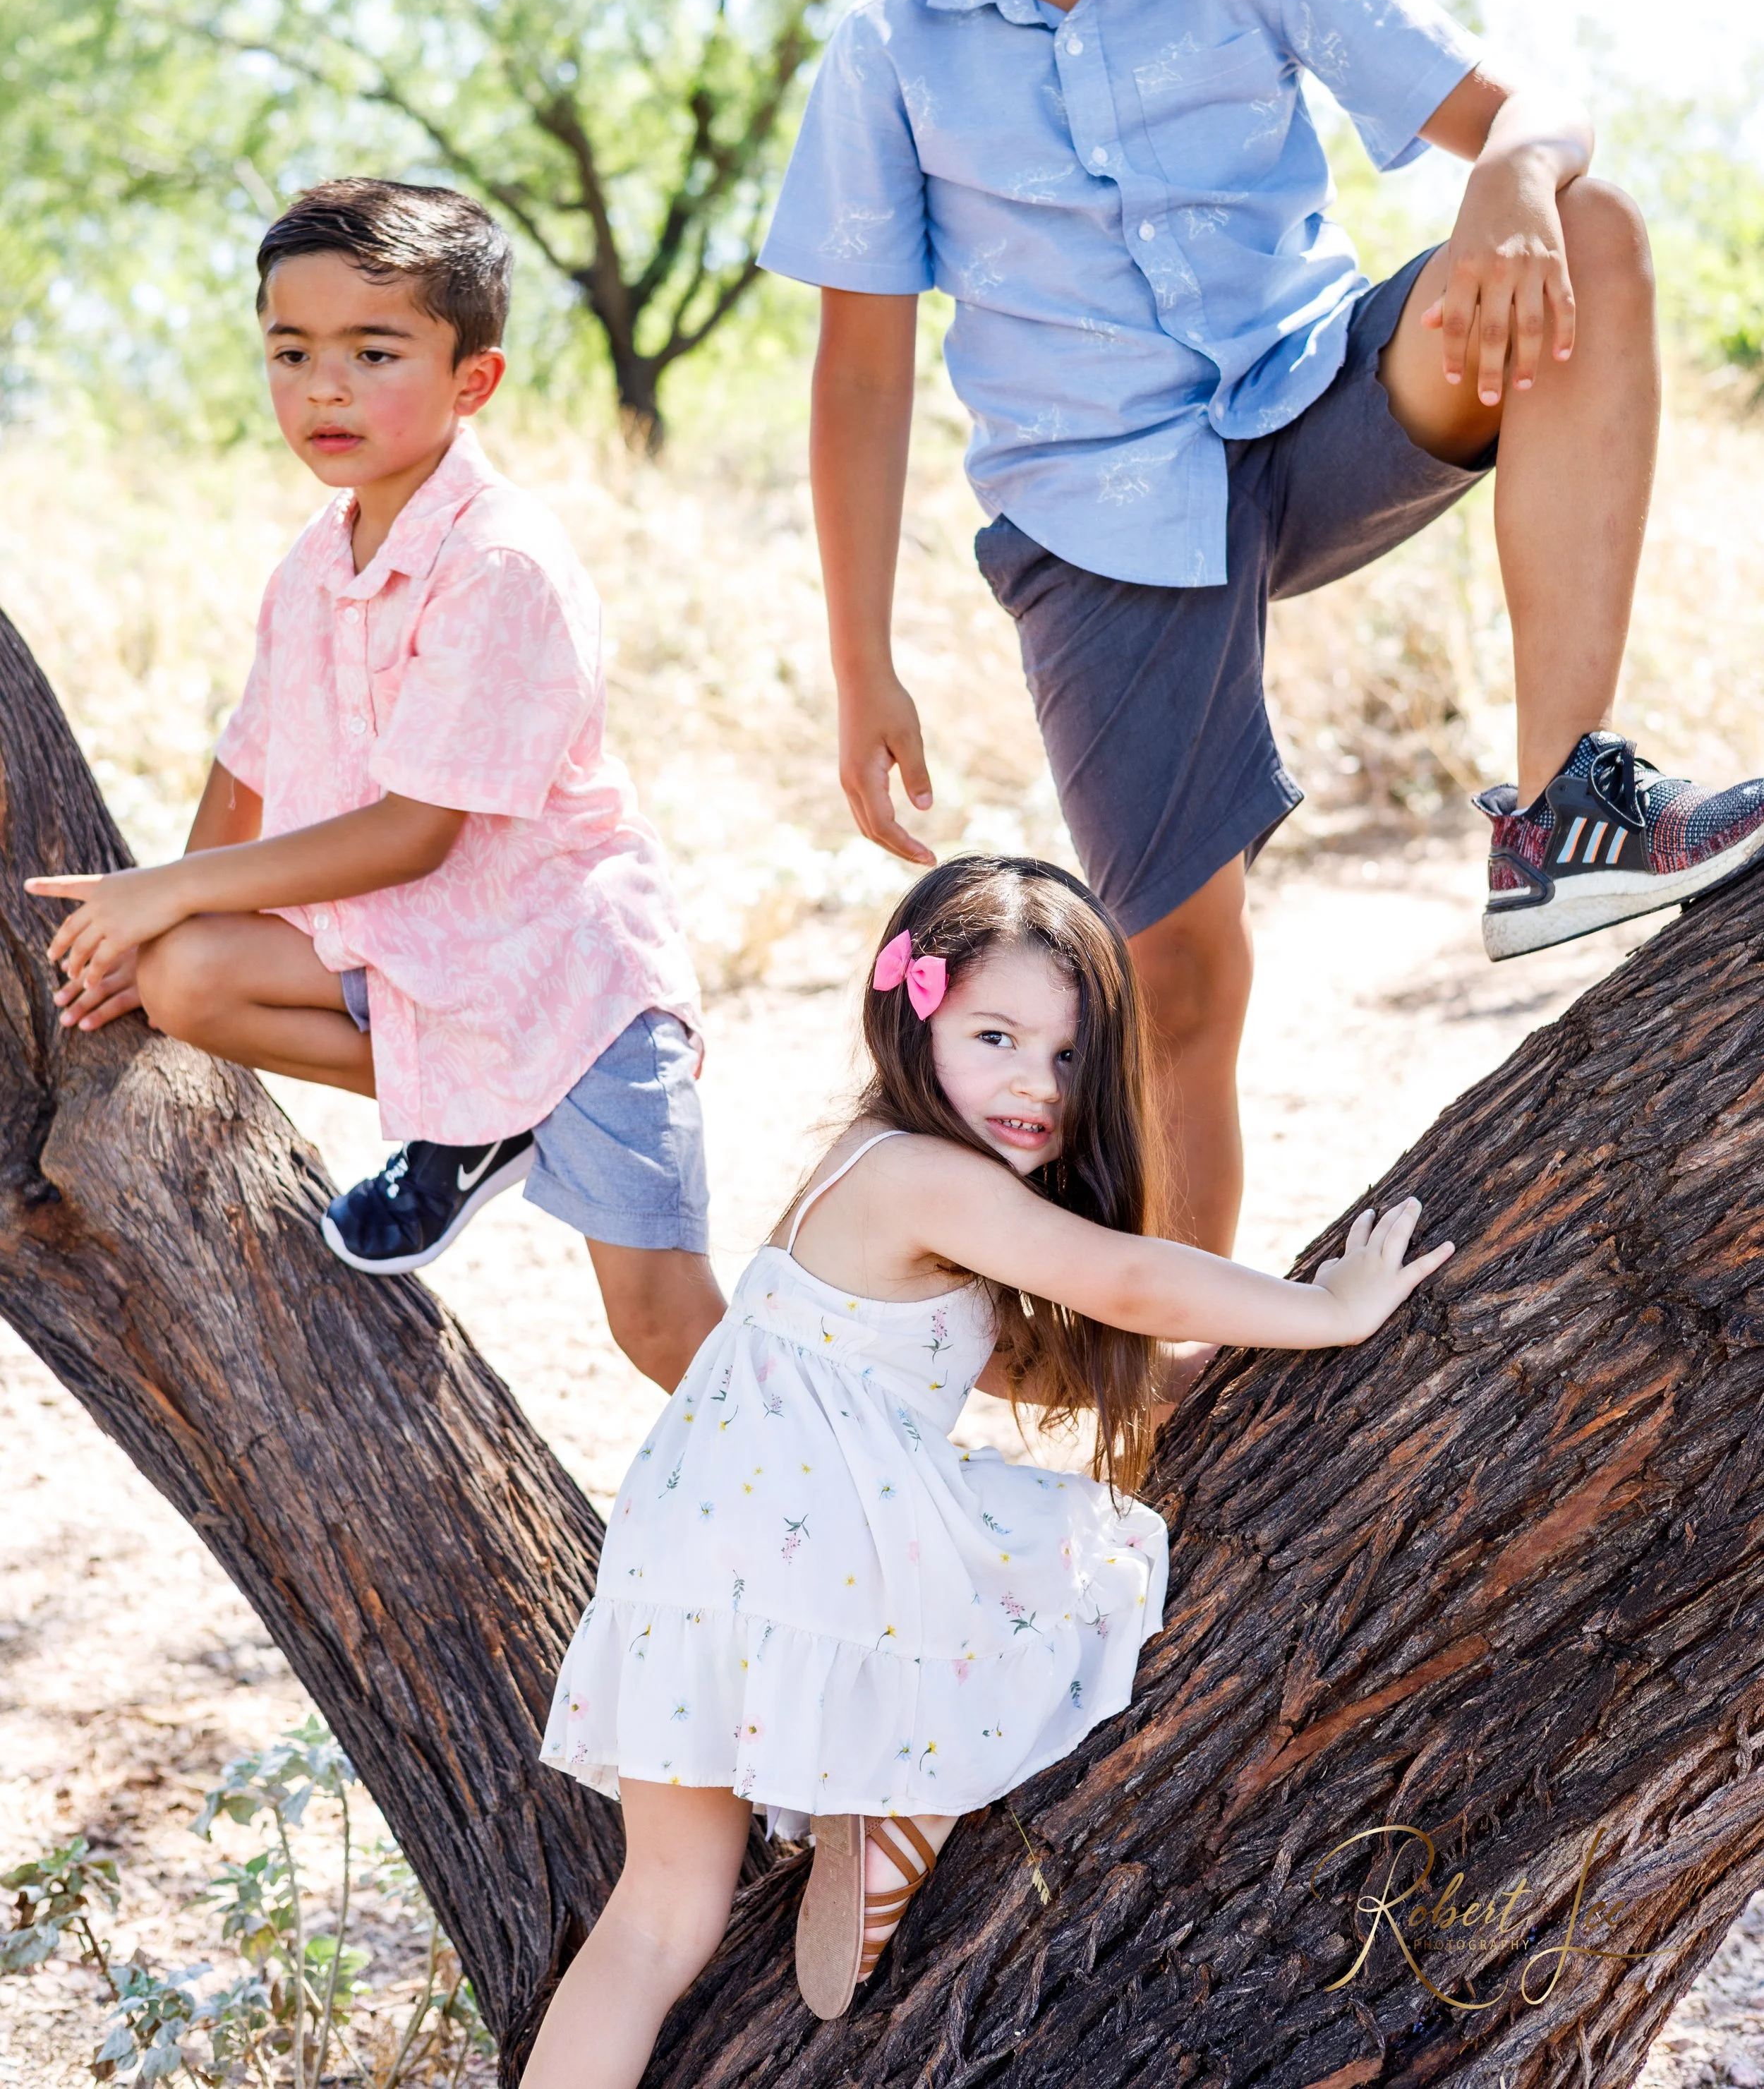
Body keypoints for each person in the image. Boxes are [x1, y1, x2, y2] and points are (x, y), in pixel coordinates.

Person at [761, 0, 1764, 1262]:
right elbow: (857, 376)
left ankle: (1565, 809)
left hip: (1317, 410)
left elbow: (1534, 104)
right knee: (1177, 987)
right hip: (1096, 522)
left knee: (1587, 221)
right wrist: (863, 663)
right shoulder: (884, 55)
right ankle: (1164, 1384)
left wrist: (1512, 164)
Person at [527, 855, 1451, 2084]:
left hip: (686, 1552)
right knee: (1080, 1555)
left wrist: (1159, 1379)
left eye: (1067, 1057)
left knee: (658, 1919)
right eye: (997, 1035)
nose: (1033, 1080)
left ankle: (881, 1794)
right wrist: (1323, 1308)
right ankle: (905, 1781)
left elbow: (980, 1355)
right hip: (812, 1540)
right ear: (911, 1018)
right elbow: (1119, 1278)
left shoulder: (867, 1164)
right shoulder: (929, 1175)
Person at [28, 179, 724, 1393]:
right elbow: (247, 761)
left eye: (373, 350)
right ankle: (477, 1116)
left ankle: (873, 1484)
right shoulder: (314, 561)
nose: (324, 387)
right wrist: (165, 911)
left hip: (565, 979)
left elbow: (412, 834)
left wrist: (165, 890)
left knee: (663, 1326)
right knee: (188, 971)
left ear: (475, 381)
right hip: (419, 958)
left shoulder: (502, 559)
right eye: (291, 352)